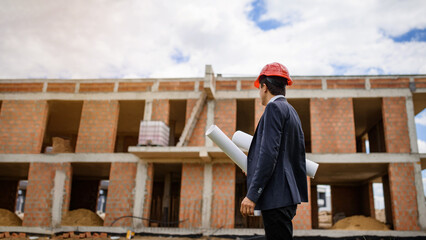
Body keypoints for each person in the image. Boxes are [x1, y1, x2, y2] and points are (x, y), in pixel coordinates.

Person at [240, 62, 308, 239]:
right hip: (286, 196)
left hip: (277, 197)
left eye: (259, 88)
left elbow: (269, 154)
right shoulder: (291, 111)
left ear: (264, 87)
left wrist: (252, 195)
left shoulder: (273, 108)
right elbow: (286, 156)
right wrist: (252, 167)